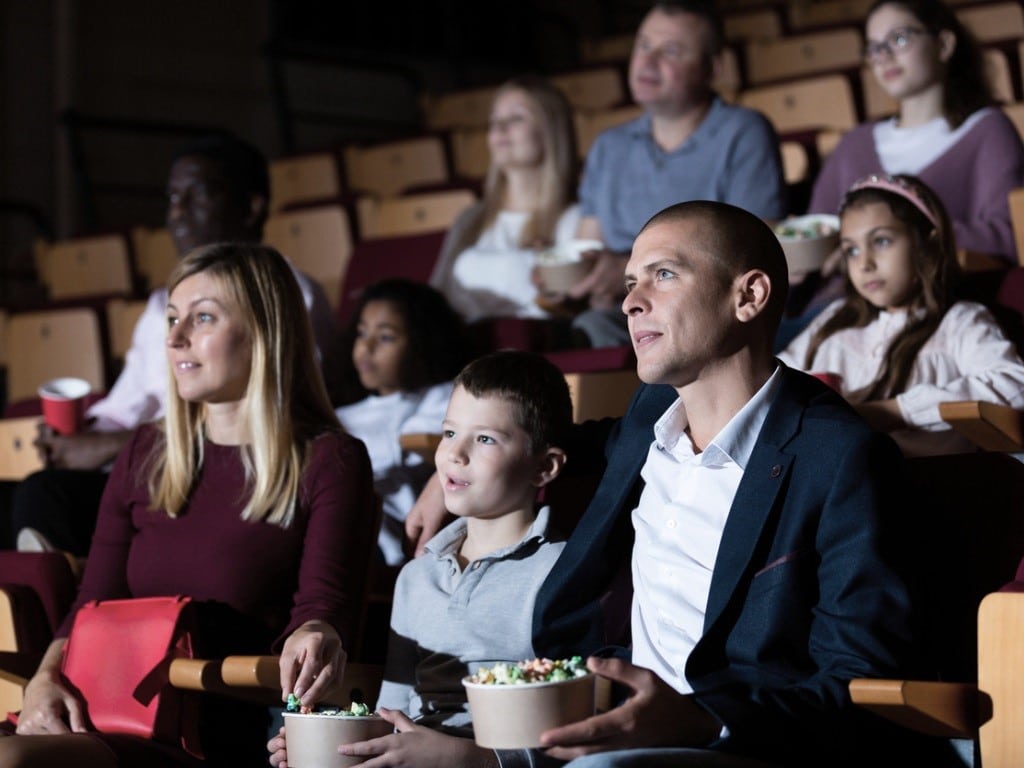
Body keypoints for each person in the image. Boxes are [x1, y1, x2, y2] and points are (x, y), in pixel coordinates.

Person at [409, 201, 961, 767]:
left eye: (663, 275)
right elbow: (561, 446)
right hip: (610, 725)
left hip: (748, 744)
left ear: (748, 296)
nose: (630, 302)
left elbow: (860, 680)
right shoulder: (649, 415)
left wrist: (706, 719)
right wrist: (452, 466)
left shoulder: (839, 457)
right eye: (629, 283)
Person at [0, 243, 376, 767]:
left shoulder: (329, 459)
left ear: (263, 331)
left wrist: (318, 635)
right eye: (173, 319)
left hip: (215, 730)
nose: (175, 338)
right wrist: (43, 680)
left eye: (201, 318)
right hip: (107, 712)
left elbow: (323, 607)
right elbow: (93, 601)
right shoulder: (145, 451)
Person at [10, 131, 343, 557]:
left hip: (228, 477)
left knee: (47, 498)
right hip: (148, 469)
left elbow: (274, 410)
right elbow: (125, 405)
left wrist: (116, 446)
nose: (177, 213)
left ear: (251, 206)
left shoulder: (289, 294)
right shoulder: (161, 302)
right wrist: (74, 436)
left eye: (197, 195)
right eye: (171, 198)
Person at [268, 349, 574, 768]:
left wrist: (469, 758)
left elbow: (573, 733)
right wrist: (336, 745)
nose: (455, 454)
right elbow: (394, 713)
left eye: (485, 439)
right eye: (449, 433)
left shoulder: (561, 569)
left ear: (544, 468)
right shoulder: (416, 576)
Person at [556, 0, 788, 348]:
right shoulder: (608, 146)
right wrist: (565, 278)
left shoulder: (743, 132)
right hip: (616, 316)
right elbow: (587, 246)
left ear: (712, 68)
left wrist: (624, 272)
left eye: (672, 51)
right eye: (644, 45)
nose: (648, 62)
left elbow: (754, 253)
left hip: (701, 317)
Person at [778, 173, 1024, 456]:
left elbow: (1015, 385)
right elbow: (775, 381)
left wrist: (893, 412)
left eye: (881, 241)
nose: (865, 264)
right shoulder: (836, 320)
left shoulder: (958, 322)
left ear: (927, 243)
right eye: (852, 250)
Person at [808, 0, 1024, 265]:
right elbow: (814, 237)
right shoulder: (854, 144)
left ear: (943, 45)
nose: (884, 56)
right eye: (874, 48)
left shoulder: (987, 129)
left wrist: (901, 238)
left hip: (942, 298)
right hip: (840, 301)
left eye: (898, 38)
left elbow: (1009, 235)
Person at [429, 76, 584, 344]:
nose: (500, 128)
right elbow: (434, 298)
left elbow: (568, 313)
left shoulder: (575, 217)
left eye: (516, 118)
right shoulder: (471, 218)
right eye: (494, 121)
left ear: (550, 131)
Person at [335, 278, 473, 567]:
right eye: (362, 333)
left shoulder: (442, 396)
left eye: (385, 337)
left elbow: (413, 443)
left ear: (422, 344)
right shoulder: (342, 414)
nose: (367, 346)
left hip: (397, 539)